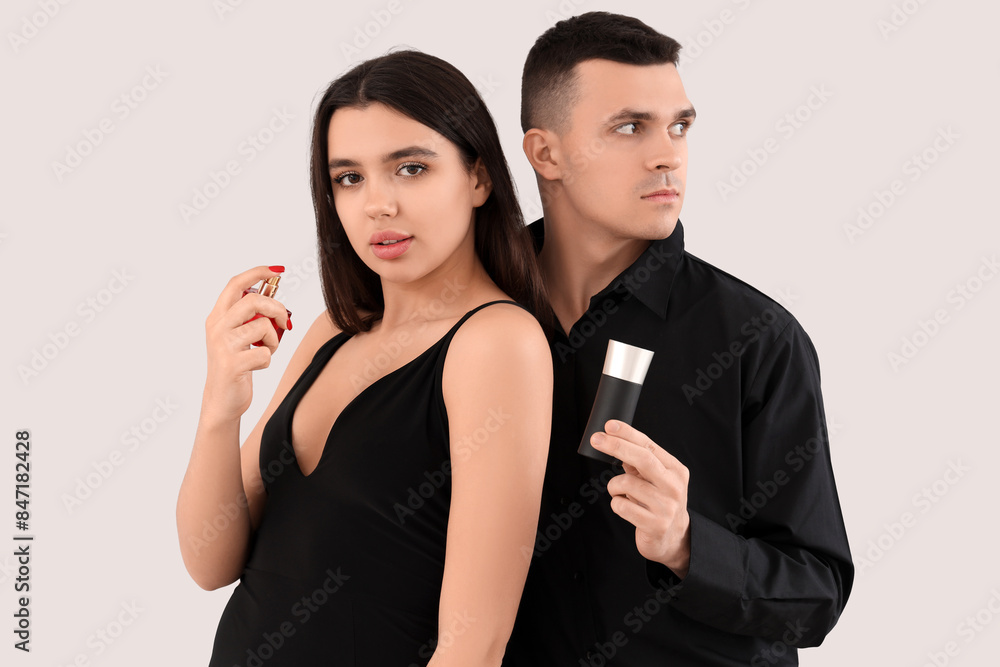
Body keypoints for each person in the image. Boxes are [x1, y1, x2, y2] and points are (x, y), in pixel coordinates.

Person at [175, 49, 553, 666]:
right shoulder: (333, 331)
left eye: (410, 168)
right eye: (349, 177)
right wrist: (222, 403)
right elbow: (208, 563)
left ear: (479, 178)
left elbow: (473, 646)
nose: (378, 203)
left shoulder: (495, 343)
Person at [502, 12, 854, 666]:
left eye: (680, 126)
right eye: (630, 127)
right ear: (545, 153)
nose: (667, 153)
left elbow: (816, 594)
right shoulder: (471, 319)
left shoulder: (757, 340)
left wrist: (687, 543)